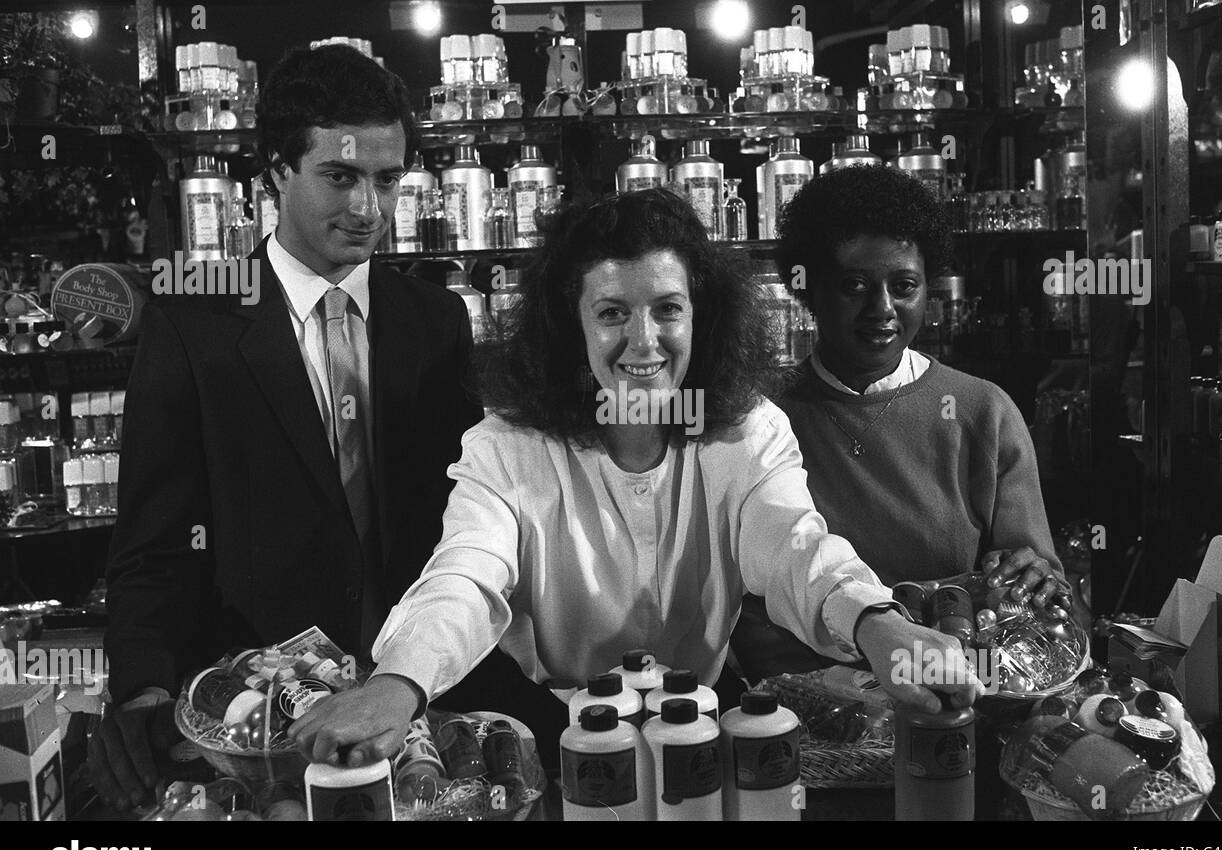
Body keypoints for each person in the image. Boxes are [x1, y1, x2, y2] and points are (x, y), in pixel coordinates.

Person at [290, 188, 984, 768]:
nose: (644, 342)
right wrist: (400, 681)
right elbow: (464, 577)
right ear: (574, 324)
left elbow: (796, 548)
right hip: (552, 733)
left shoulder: (747, 431)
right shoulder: (508, 448)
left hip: (701, 724)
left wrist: (879, 626)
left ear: (700, 315)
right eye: (613, 313)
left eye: (667, 309)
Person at [90, 45, 483, 810]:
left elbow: (464, 519)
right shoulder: (193, 323)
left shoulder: (435, 320)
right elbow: (154, 542)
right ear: (274, 170)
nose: (369, 208)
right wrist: (142, 690)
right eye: (340, 176)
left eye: (388, 178)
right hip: (258, 720)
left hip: (417, 702)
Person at [734, 165, 1065, 678]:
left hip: (956, 698)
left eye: (904, 285)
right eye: (855, 286)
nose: (882, 308)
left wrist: (1033, 578)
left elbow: (1038, 604)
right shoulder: (763, 420)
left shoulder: (982, 411)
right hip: (811, 713)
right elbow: (749, 604)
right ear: (809, 290)